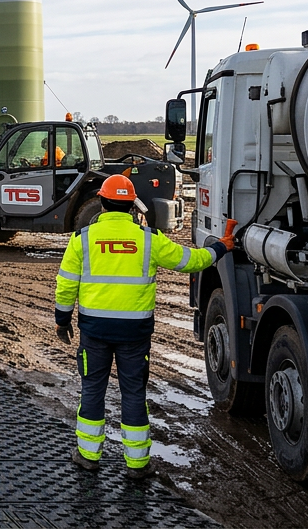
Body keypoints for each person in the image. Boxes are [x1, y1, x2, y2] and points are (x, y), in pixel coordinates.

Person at [54, 174, 233, 476]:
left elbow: (66, 285)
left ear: (102, 201)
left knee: (93, 390)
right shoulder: (149, 239)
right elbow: (191, 260)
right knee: (134, 393)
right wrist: (222, 247)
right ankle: (137, 464)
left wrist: (62, 320)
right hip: (134, 335)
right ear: (131, 206)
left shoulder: (82, 239)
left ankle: (88, 456)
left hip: (94, 332)